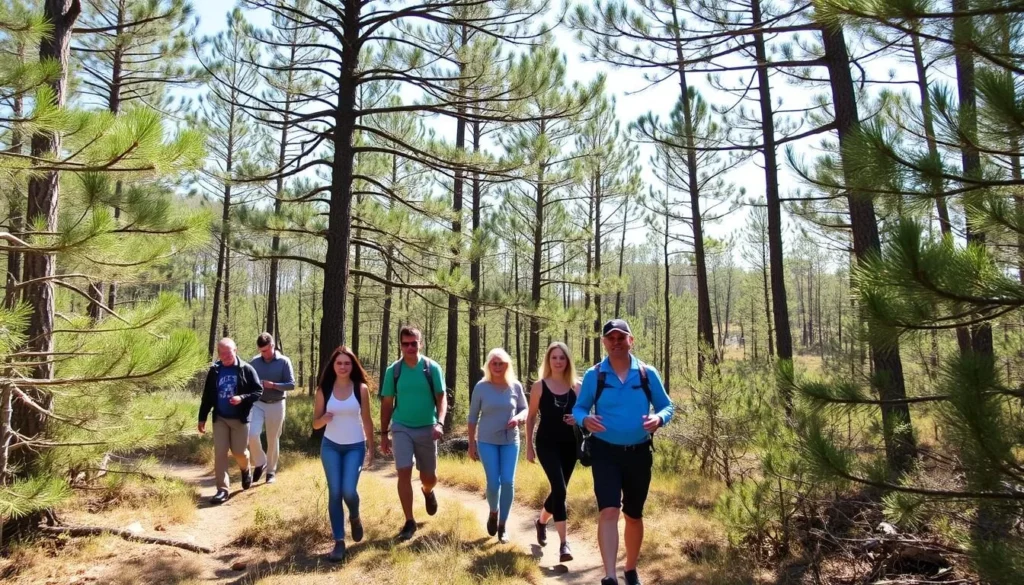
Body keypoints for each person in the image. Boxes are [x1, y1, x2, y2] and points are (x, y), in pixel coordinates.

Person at [572, 319, 675, 585]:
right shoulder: (596, 374)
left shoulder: (646, 373)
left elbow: (667, 406)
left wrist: (659, 419)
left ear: (631, 340)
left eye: (621, 338)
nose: (616, 343)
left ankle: (630, 568)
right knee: (609, 510)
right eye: (611, 338)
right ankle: (609, 575)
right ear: (604, 342)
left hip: (639, 453)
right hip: (605, 452)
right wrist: (585, 419)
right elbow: (580, 407)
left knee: (633, 514)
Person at [379, 326, 447, 541]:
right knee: (404, 472)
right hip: (401, 427)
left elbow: (441, 397)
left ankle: (427, 491)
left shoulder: (431, 368)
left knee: (430, 477)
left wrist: (440, 423)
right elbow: (387, 402)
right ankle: (409, 521)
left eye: (413, 343)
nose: (410, 347)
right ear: (400, 345)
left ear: (420, 343)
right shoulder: (394, 371)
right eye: (405, 343)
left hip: (428, 427)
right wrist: (384, 433)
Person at [312, 346, 375, 562]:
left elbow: (367, 419)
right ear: (333, 365)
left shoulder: (361, 389)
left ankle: (355, 517)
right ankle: (339, 541)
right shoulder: (324, 390)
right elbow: (315, 423)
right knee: (335, 492)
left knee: (349, 491)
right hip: (330, 446)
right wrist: (324, 420)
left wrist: (371, 448)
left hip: (355, 446)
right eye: (339, 363)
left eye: (347, 363)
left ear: (352, 365)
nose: (343, 366)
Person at [525, 341, 581, 562]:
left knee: (561, 490)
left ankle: (541, 522)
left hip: (570, 445)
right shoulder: (539, 386)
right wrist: (529, 446)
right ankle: (564, 545)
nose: (558, 361)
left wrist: (578, 418)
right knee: (559, 488)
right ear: (548, 361)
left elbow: (586, 413)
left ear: (568, 361)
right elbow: (530, 417)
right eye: (554, 357)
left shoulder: (578, 386)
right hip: (547, 444)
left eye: (562, 358)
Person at [468, 348, 528, 543]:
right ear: (488, 365)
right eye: (494, 363)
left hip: (511, 440)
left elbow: (525, 409)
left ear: (507, 365)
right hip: (486, 441)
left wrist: (519, 418)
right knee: (493, 482)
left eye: (501, 363)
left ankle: (502, 525)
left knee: (508, 482)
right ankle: (493, 512)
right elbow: (472, 417)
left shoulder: (515, 386)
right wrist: (471, 443)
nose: (497, 366)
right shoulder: (481, 387)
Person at [198, 338, 263, 505]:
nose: (226, 356)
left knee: (239, 452)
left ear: (236, 350)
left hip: (240, 419)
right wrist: (202, 417)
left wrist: (242, 398)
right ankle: (222, 490)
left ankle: (245, 469)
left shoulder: (246, 369)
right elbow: (207, 396)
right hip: (220, 418)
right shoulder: (215, 370)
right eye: (223, 354)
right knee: (220, 453)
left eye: (229, 352)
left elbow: (258, 391)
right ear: (218, 354)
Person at [248, 332, 296, 484]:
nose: (264, 354)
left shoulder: (284, 362)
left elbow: (291, 384)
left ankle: (271, 472)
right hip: (258, 403)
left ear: (273, 346)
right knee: (252, 434)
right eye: (261, 351)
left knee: (272, 438)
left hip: (277, 403)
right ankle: (260, 462)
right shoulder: (254, 362)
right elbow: (247, 381)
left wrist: (274, 385)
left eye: (267, 350)